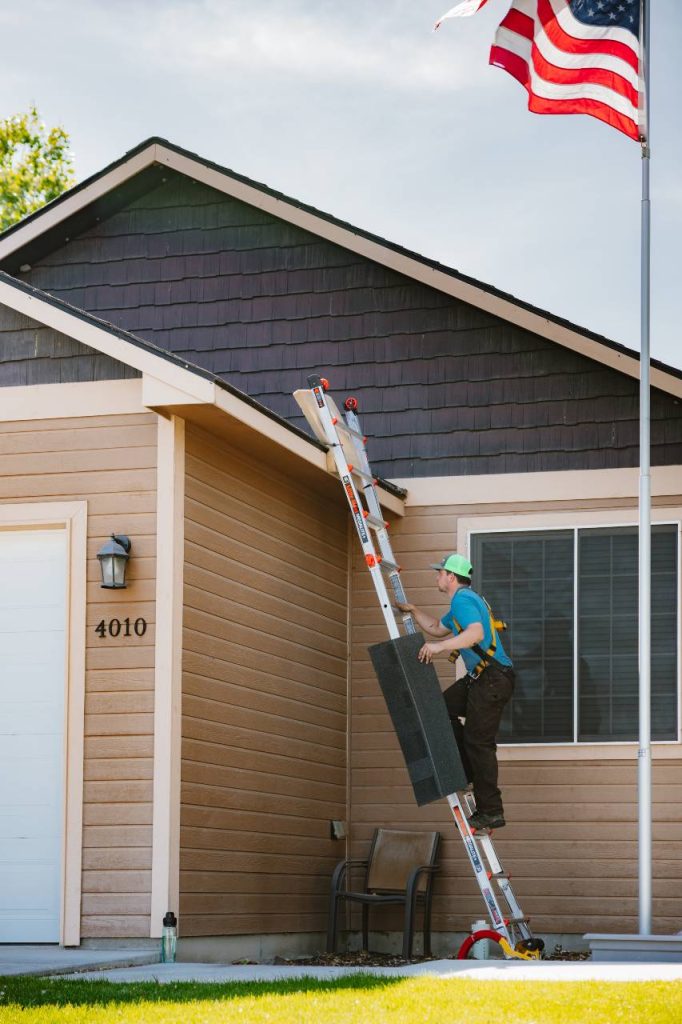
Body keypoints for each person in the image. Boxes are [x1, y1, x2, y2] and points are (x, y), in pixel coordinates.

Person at [396, 553, 514, 830]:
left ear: (450, 577)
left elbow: (473, 634)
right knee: (439, 710)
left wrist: (439, 648)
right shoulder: (462, 602)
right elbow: (437, 628)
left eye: (440, 573)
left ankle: (491, 810)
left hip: (493, 678)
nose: (436, 577)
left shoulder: (463, 599)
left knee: (479, 742)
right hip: (482, 678)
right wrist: (413, 610)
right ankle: (467, 771)